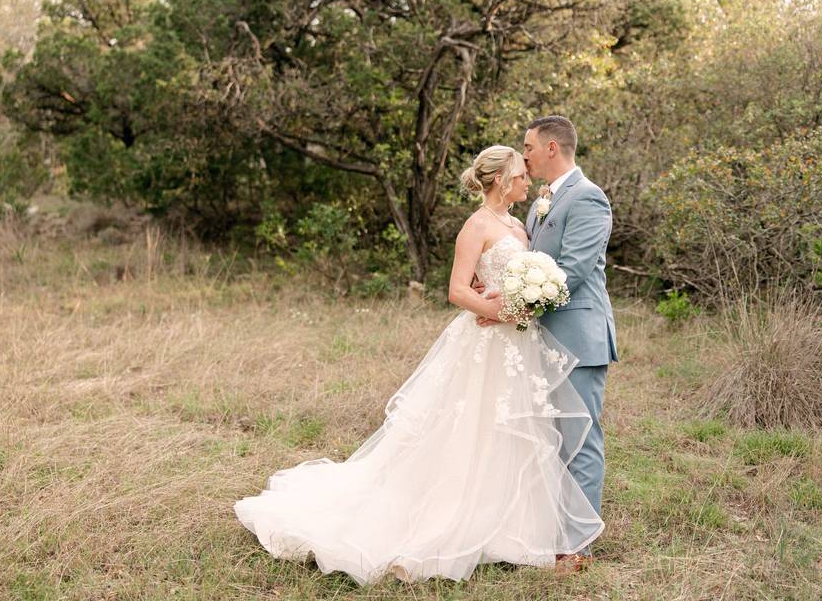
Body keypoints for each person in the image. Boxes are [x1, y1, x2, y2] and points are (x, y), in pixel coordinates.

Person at [234, 144, 604, 586]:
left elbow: (516, 280)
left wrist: (516, 306)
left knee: (517, 432)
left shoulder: (519, 224)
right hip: (486, 342)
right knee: (474, 431)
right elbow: (456, 290)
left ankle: (513, 529)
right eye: (522, 174)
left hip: (518, 344)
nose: (529, 180)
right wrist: (502, 311)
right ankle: (455, 519)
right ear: (504, 179)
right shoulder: (476, 226)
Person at [476, 115, 617, 572]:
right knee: (548, 441)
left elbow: (571, 272)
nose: (526, 154)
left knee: (581, 440)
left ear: (552, 148)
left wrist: (511, 308)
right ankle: (543, 533)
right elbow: (528, 265)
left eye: (529, 146)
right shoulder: (543, 201)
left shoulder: (589, 198)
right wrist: (496, 295)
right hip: (541, 339)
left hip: (579, 335)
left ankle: (577, 548)